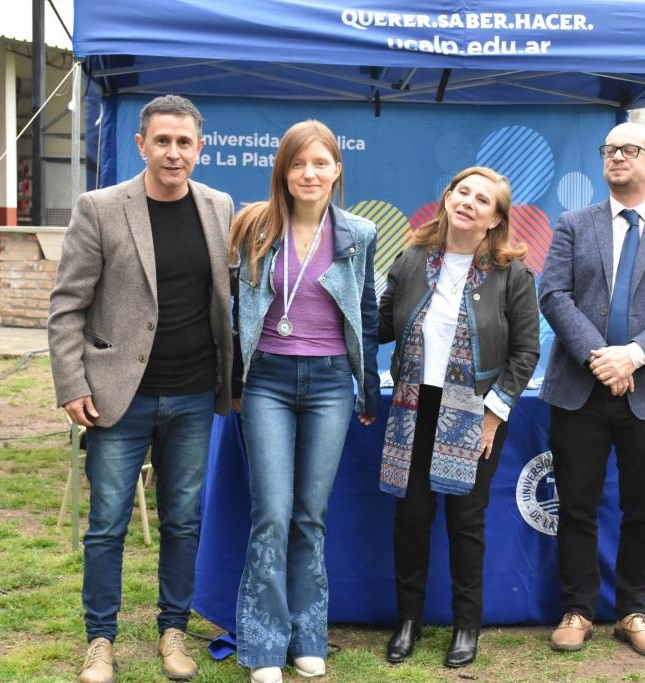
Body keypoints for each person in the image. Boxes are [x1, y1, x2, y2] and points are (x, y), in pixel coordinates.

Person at [48, 94, 234, 683]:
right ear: (141, 145)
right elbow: (66, 306)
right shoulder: (99, 207)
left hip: (194, 396)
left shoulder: (220, 206)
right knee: (107, 525)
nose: (173, 153)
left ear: (200, 148)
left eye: (184, 143)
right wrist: (71, 383)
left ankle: (172, 632)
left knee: (183, 521)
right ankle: (100, 641)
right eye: (163, 141)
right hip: (115, 396)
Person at [538, 122, 645, 658]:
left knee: (642, 510)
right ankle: (578, 610)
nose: (616, 158)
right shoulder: (572, 224)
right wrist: (601, 358)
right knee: (577, 507)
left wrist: (633, 355)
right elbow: (554, 295)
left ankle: (633, 613)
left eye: (629, 150)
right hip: (579, 392)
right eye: (609, 150)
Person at [229, 119, 379, 683]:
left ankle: (307, 636)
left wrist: (365, 387)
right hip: (266, 380)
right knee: (271, 514)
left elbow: (364, 311)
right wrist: (235, 385)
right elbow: (232, 313)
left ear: (337, 170)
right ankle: (265, 645)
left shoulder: (358, 233)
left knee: (310, 517)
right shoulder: (253, 226)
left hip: (330, 384)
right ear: (283, 172)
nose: (309, 173)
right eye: (298, 164)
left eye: (320, 163)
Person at [378, 166, 540, 668]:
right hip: (412, 406)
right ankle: (408, 621)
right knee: (412, 518)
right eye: (462, 192)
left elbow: (526, 352)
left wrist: (494, 415)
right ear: (447, 199)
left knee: (466, 521)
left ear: (495, 219)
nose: (469, 201)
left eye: (482, 199)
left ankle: (466, 627)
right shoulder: (409, 262)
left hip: (476, 412)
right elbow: (378, 325)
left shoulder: (512, 274)